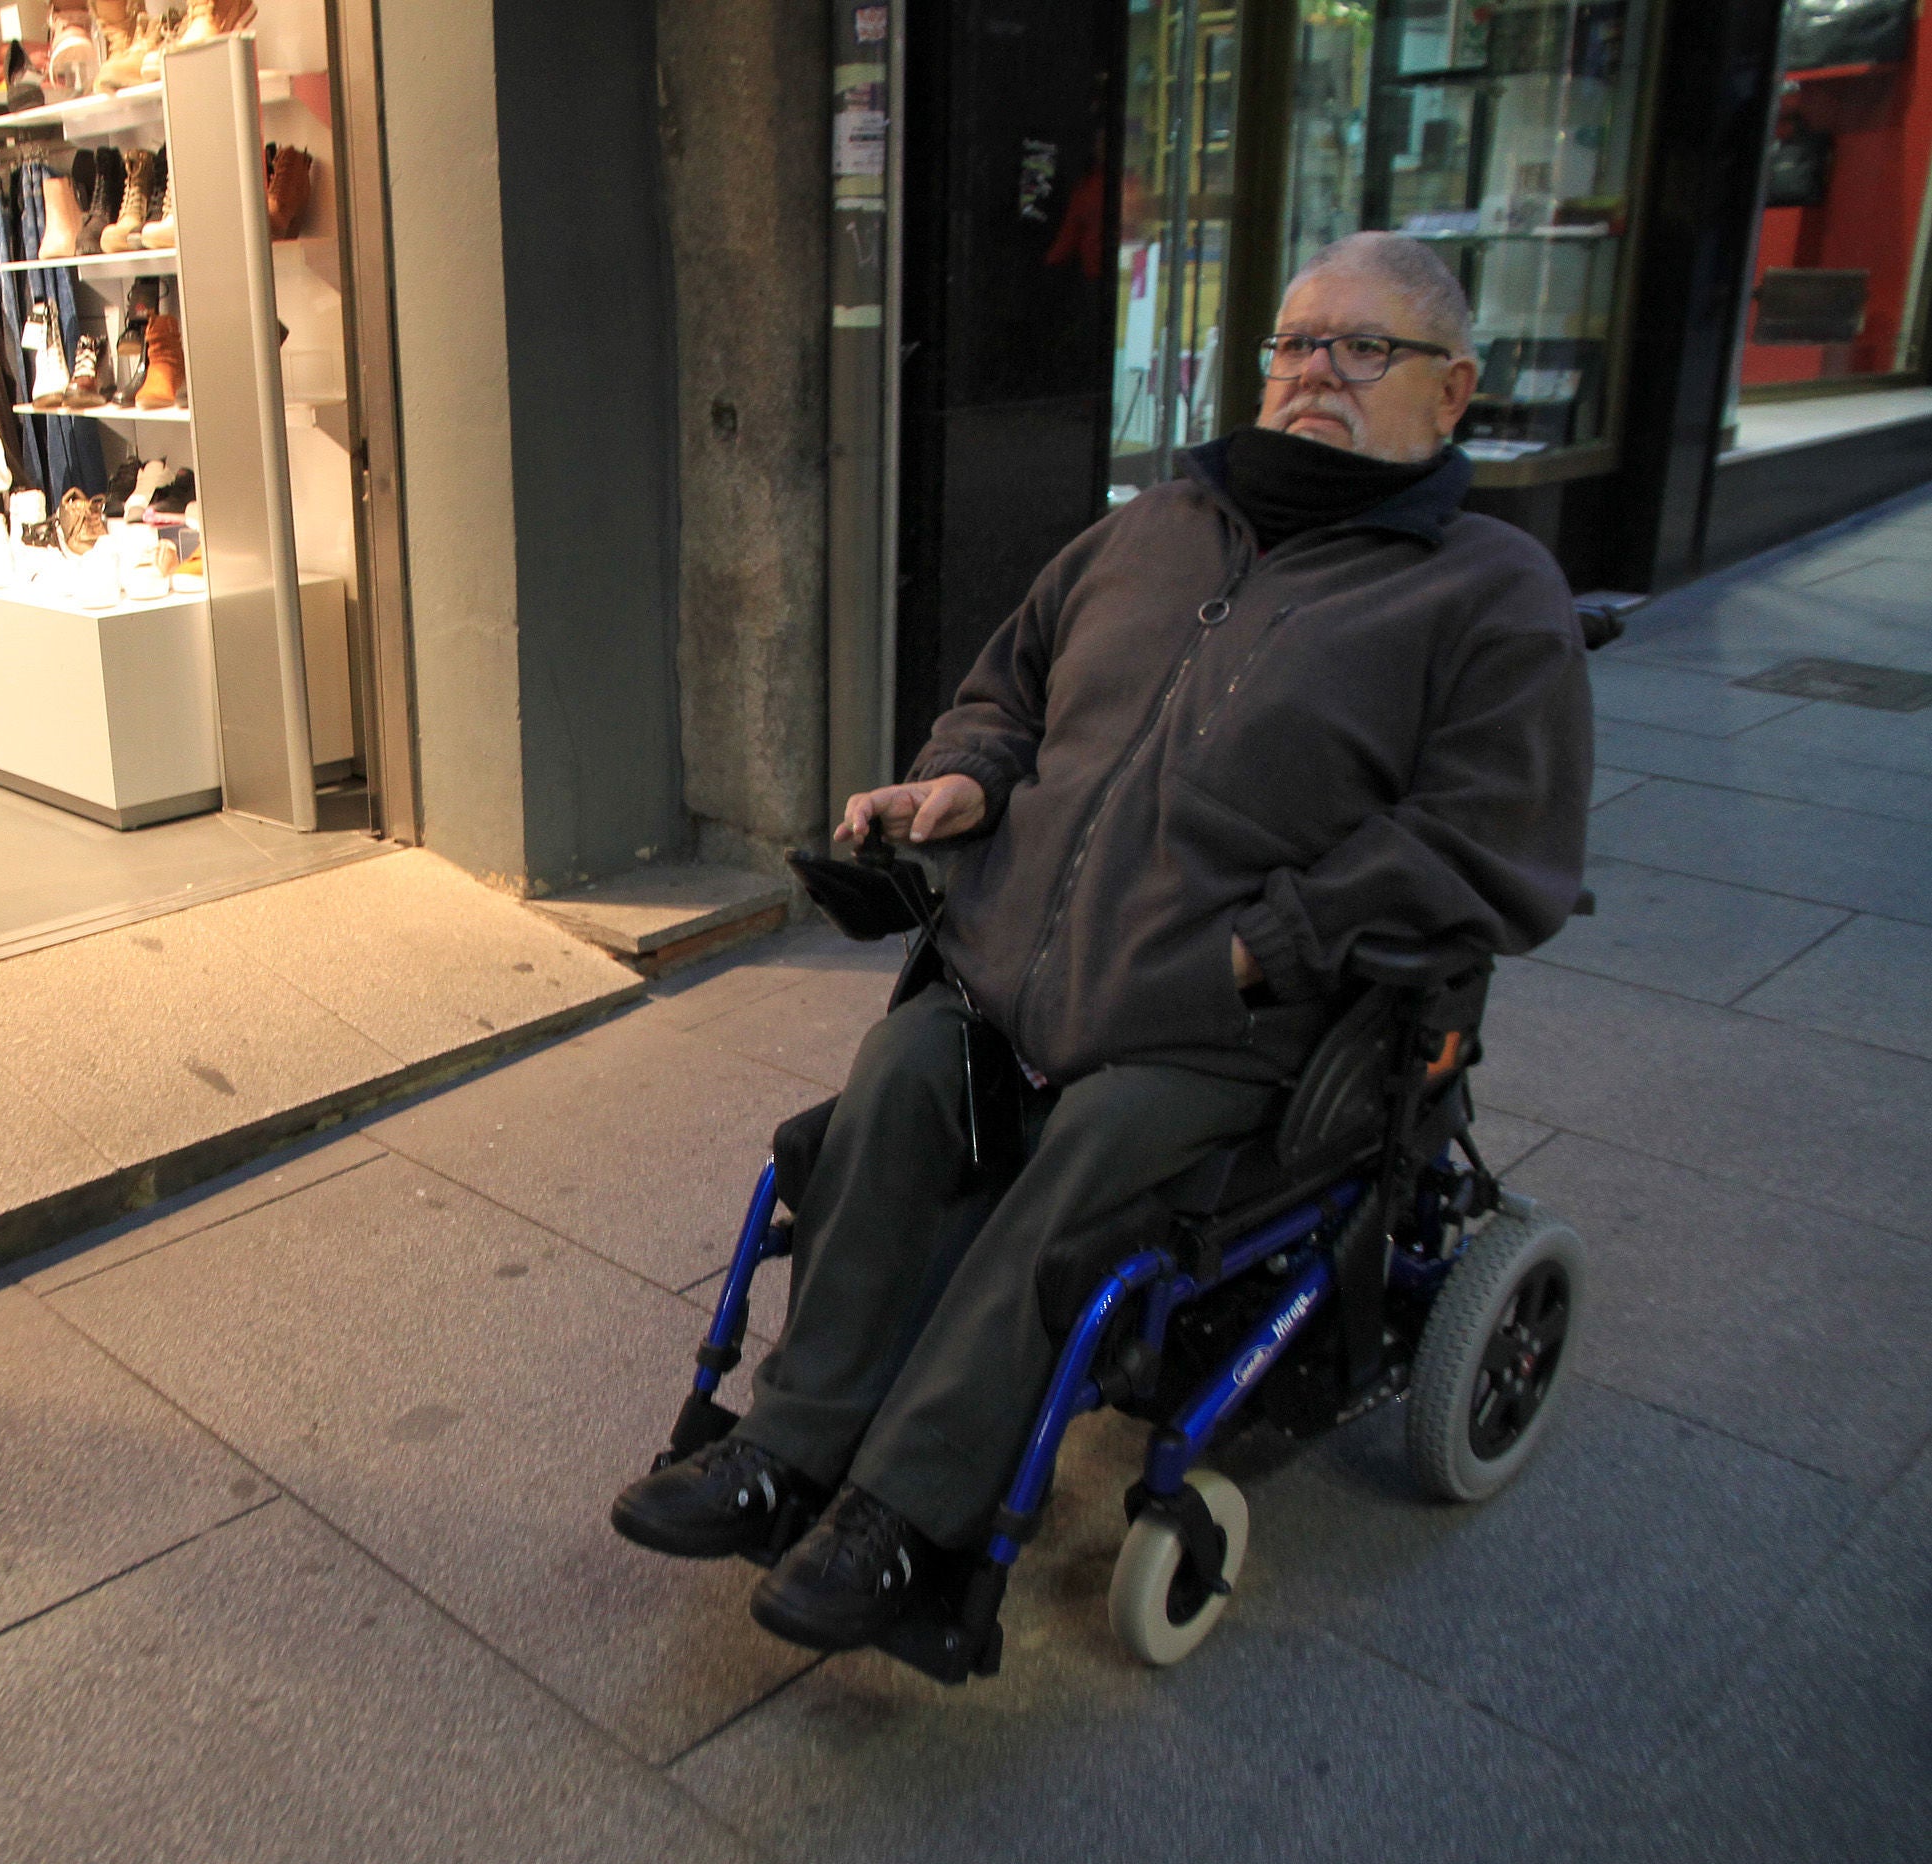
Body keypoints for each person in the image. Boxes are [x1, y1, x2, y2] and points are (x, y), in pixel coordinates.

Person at [609, 232, 1593, 1653]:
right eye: (1294, 342)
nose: (1314, 369)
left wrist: (1276, 943)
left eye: (1360, 347)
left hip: (1229, 1013)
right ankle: (783, 1449)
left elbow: (1486, 846)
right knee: (893, 1084)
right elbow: (1008, 688)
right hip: (1012, 967)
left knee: (1087, 1163)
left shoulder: (1485, 592)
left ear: (1452, 392)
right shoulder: (1152, 524)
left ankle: (907, 1522)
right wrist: (963, 776)